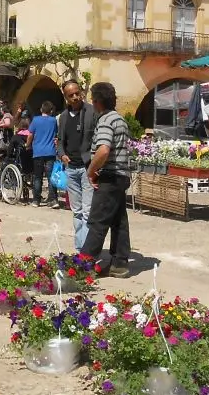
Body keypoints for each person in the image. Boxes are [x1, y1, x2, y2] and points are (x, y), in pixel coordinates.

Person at [80, 82, 132, 279]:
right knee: (119, 221)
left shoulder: (106, 120)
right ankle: (120, 263)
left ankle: (84, 264)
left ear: (97, 102)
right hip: (121, 175)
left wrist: (91, 171)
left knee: (98, 221)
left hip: (110, 176)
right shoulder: (119, 119)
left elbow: (103, 149)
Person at [58, 80, 97, 249]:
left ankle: (86, 251)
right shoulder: (64, 117)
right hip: (71, 168)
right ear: (66, 97)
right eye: (71, 95)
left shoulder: (92, 111)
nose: (75, 97)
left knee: (88, 211)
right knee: (77, 211)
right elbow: (60, 141)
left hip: (87, 167)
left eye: (77, 93)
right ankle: (80, 248)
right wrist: (62, 155)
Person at [27, 100, 59, 207]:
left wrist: (28, 145)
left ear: (41, 109)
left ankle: (36, 200)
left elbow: (30, 134)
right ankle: (53, 200)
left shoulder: (35, 120)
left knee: (37, 176)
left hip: (38, 152)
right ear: (51, 110)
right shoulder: (53, 121)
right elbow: (56, 135)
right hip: (50, 152)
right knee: (51, 177)